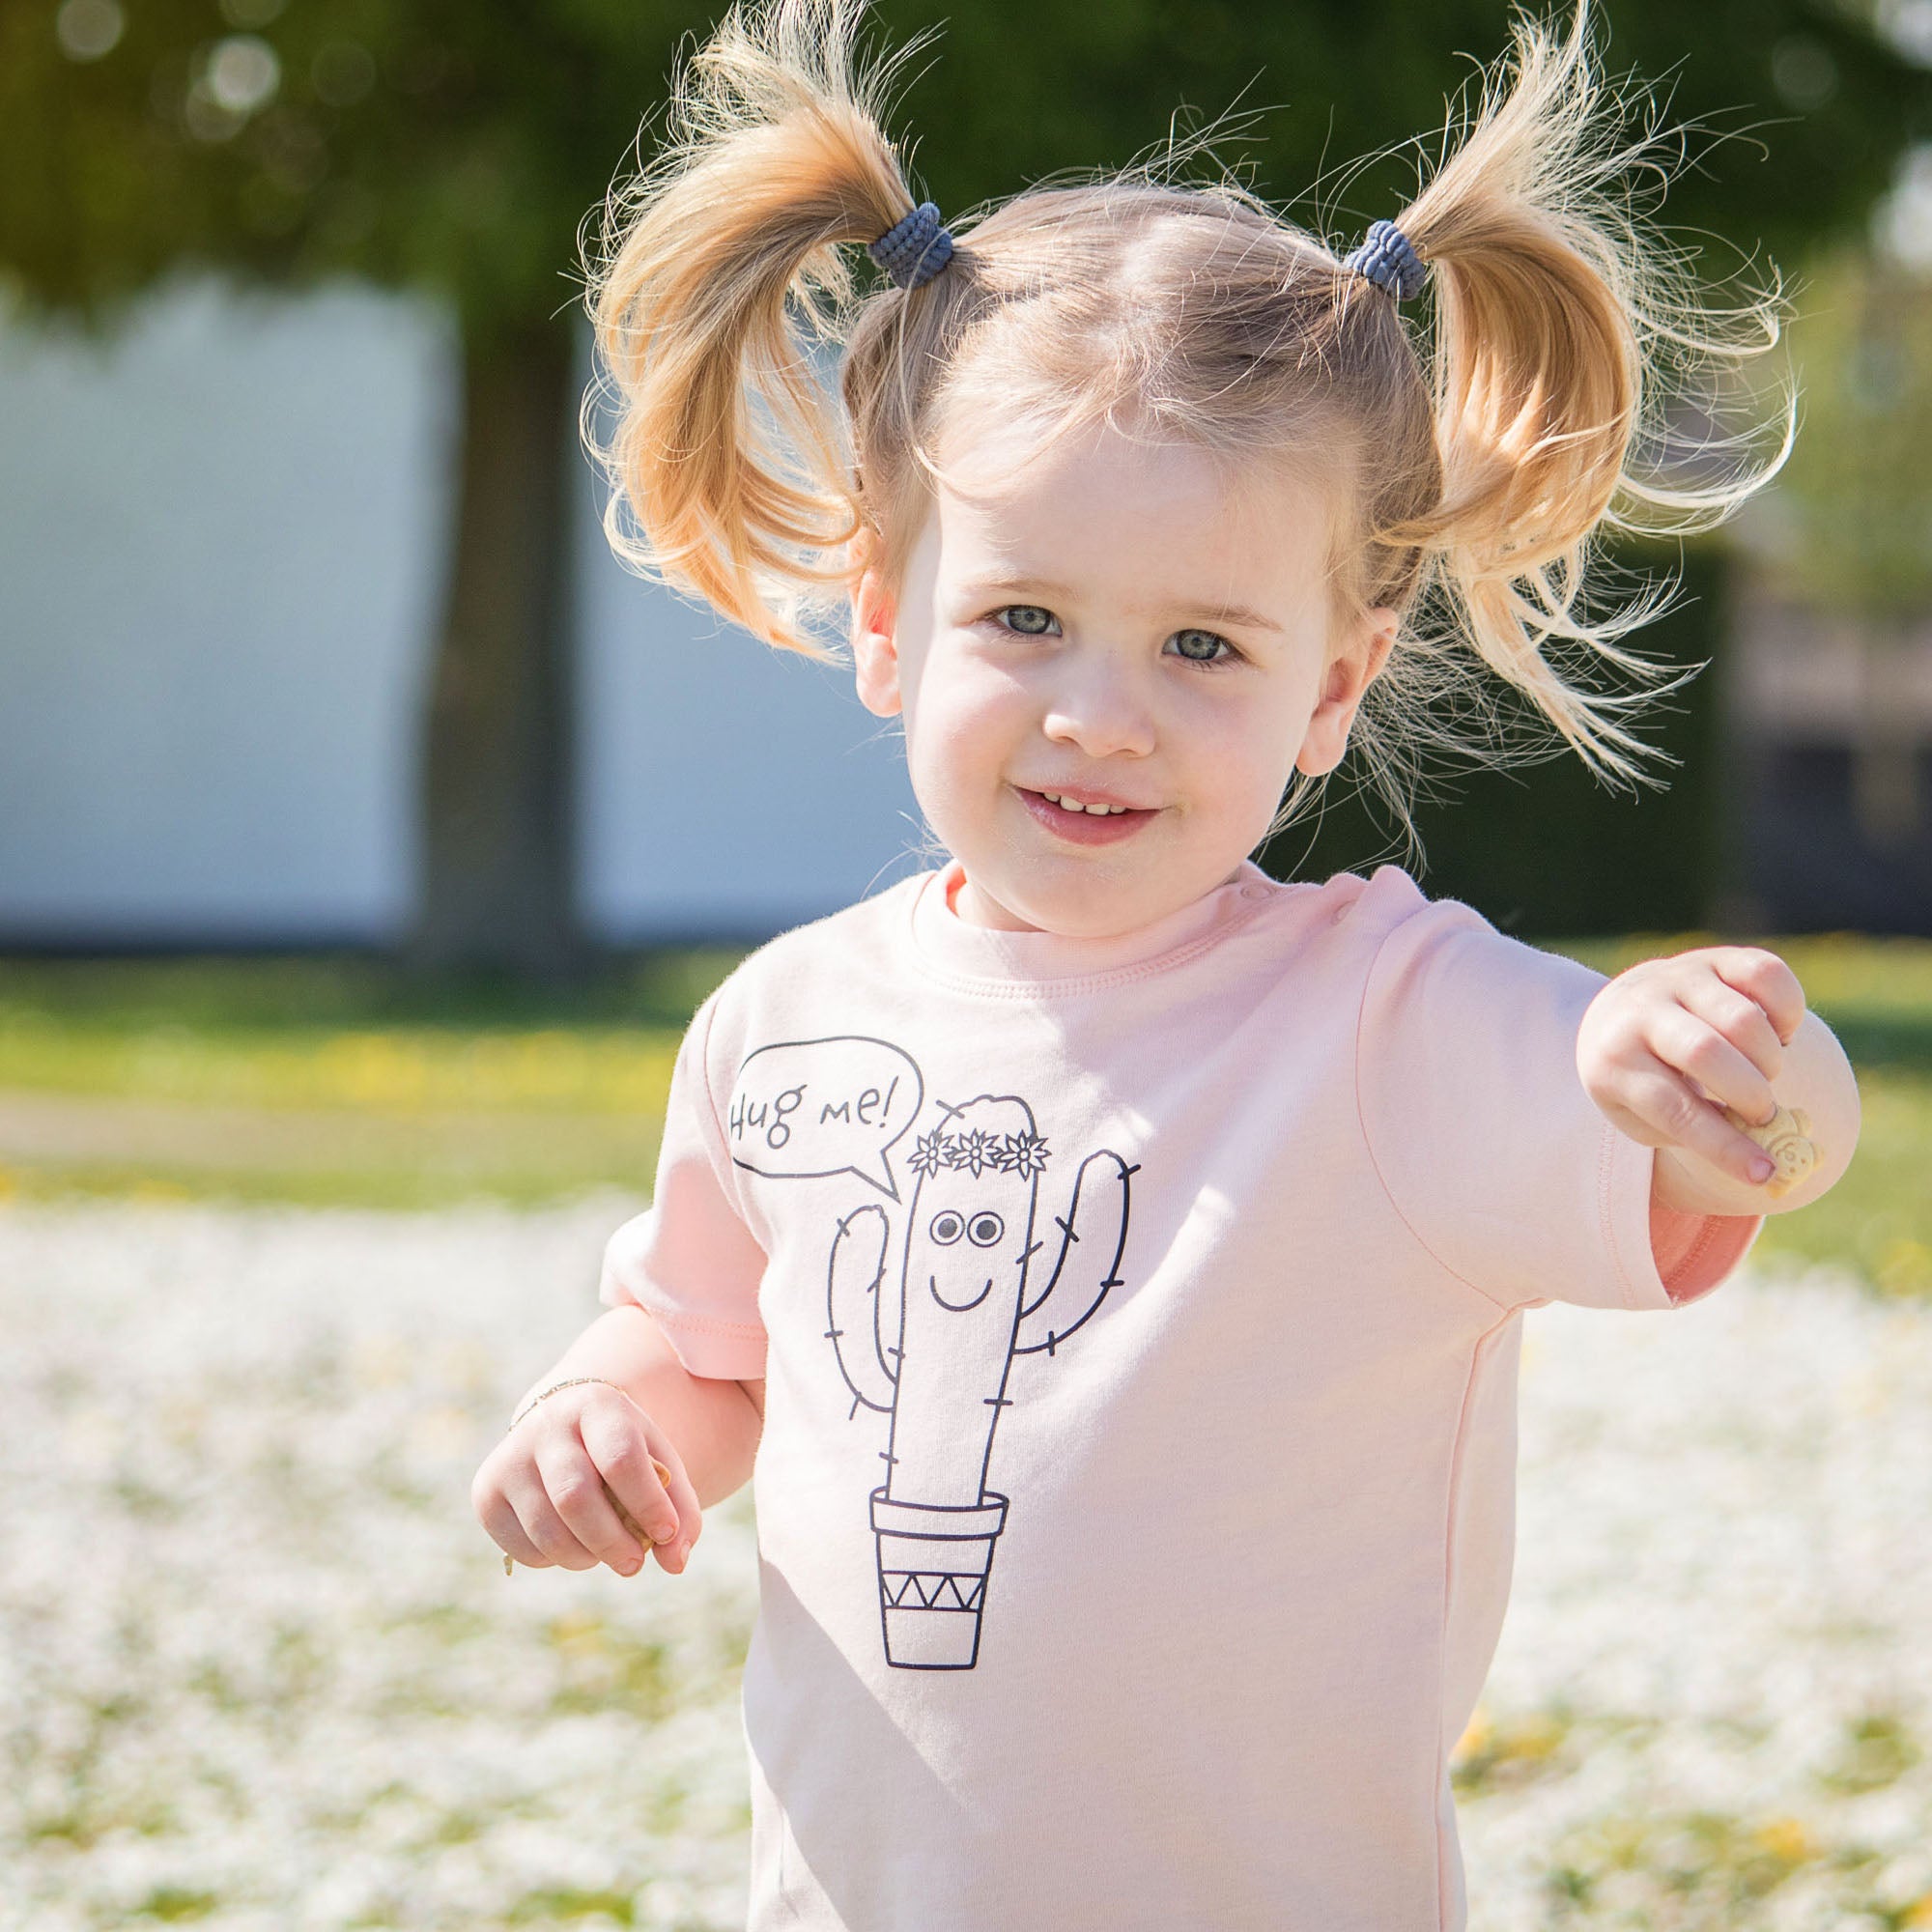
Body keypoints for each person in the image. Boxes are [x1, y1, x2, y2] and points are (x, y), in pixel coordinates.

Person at [471, 1, 1862, 1923]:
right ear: (888, 627)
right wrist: (601, 1418)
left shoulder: (1389, 1022)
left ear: (1332, 686)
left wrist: (1726, 1055)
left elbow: (1751, 1150)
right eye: (1026, 618)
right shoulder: (784, 1027)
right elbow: (705, 1353)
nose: (1099, 717)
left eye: (1203, 647)